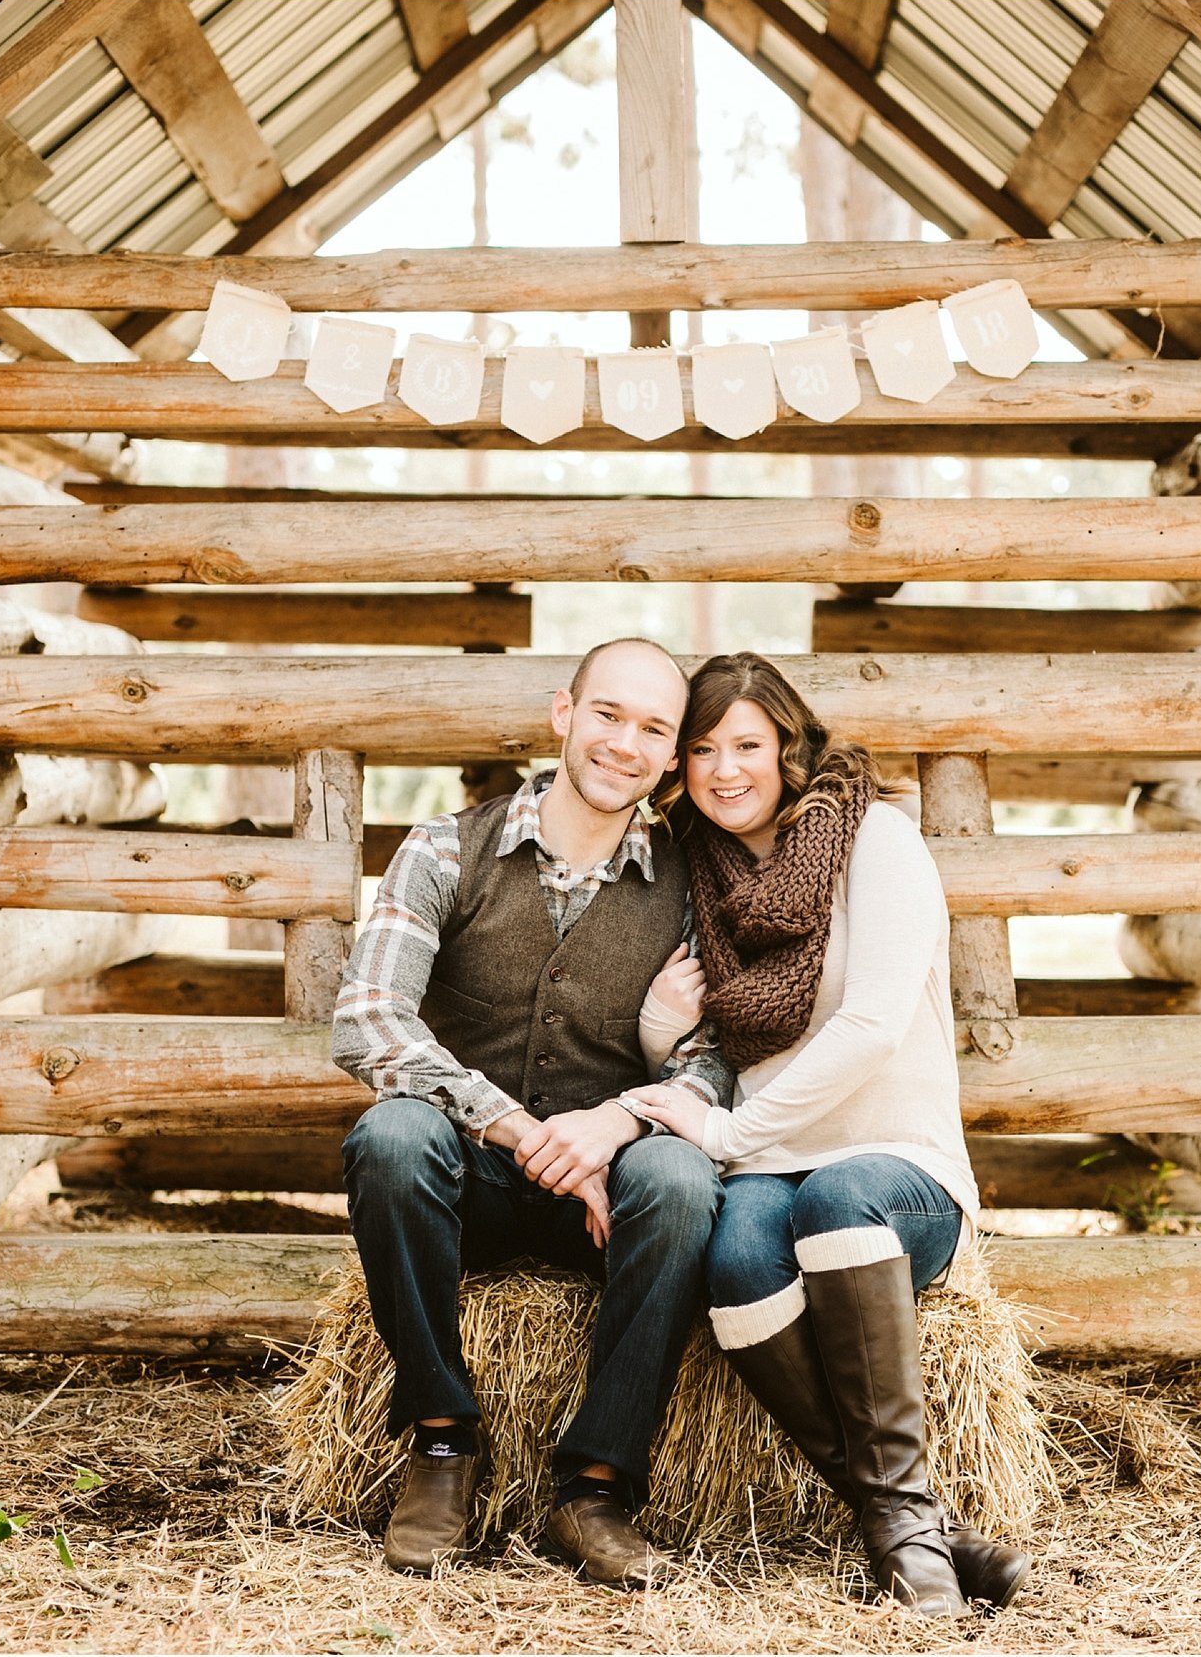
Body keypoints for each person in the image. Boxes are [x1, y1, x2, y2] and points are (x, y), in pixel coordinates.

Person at [631, 652, 1032, 1617]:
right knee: (733, 1254)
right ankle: (915, 1525)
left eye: (747, 745)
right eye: (701, 749)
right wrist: (657, 1033)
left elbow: (873, 1025)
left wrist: (728, 1135)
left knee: (834, 1197)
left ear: (788, 746)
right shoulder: (701, 879)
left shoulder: (878, 841)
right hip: (768, 1160)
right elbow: (704, 1053)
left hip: (899, 1167)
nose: (725, 770)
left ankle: (903, 1540)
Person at [332, 638, 729, 1589]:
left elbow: (717, 1061)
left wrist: (621, 1122)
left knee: (679, 1179)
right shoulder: (441, 849)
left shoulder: (691, 884)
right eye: (607, 714)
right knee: (391, 1135)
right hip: (466, 1184)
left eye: (652, 730)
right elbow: (367, 1019)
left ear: (672, 757)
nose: (624, 744)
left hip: (604, 1202)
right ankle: (440, 1442)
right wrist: (514, 1126)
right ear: (564, 714)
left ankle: (595, 1486)